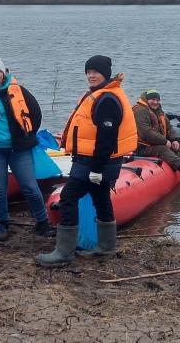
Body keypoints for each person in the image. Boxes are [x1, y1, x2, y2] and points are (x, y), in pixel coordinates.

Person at [37, 55, 137, 268]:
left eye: (95, 72)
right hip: (95, 161)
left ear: (105, 74)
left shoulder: (107, 99)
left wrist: (97, 168)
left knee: (68, 197)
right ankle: (106, 247)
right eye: (88, 72)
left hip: (95, 162)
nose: (91, 75)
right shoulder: (99, 94)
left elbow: (106, 137)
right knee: (101, 198)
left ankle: (64, 252)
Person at [0, 55, 55, 241]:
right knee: (0, 189)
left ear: (4, 72)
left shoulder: (18, 90)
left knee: (30, 186)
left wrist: (28, 135)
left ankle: (42, 223)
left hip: (19, 149)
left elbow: (35, 113)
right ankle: (2, 224)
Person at [132, 89, 180, 180]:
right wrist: (164, 141)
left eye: (157, 100)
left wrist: (175, 139)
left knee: (177, 148)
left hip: (155, 142)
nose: (155, 102)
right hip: (141, 147)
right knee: (162, 149)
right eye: (153, 100)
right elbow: (146, 132)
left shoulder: (158, 111)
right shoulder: (140, 111)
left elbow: (169, 127)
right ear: (147, 99)